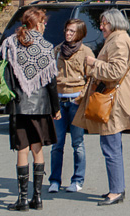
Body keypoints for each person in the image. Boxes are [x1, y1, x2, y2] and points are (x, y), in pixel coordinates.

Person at [0, 7, 60, 211]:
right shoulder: (46, 46)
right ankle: (38, 199)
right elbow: (51, 82)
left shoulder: (11, 43)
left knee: (22, 150)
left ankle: (22, 200)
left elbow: (2, 69)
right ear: (37, 23)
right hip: (41, 106)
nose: (44, 26)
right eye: (43, 22)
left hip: (19, 104)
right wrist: (55, 107)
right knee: (37, 149)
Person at [75, 8, 130, 207]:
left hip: (113, 102)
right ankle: (116, 188)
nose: (101, 27)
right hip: (114, 100)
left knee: (111, 147)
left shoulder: (118, 40)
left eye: (104, 23)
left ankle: (116, 191)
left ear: (114, 23)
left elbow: (116, 71)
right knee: (112, 147)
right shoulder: (117, 38)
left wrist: (94, 63)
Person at [48, 19, 95, 194]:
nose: (68, 34)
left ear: (80, 34)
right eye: (67, 30)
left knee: (78, 143)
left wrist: (81, 97)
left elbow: (91, 78)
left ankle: (77, 180)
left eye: (72, 31)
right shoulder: (58, 50)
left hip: (76, 102)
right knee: (57, 143)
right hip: (59, 102)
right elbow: (51, 75)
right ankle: (54, 180)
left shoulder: (86, 52)